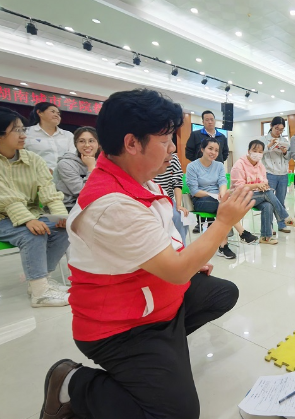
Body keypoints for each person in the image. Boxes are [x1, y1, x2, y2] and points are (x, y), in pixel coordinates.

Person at [40, 88, 252, 419]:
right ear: (132, 143)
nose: (173, 148)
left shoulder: (140, 178)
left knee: (223, 293)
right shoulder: (110, 204)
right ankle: (71, 381)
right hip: (119, 326)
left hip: (157, 301)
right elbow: (176, 269)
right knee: (177, 413)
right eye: (166, 140)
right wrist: (223, 223)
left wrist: (191, 259)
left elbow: (165, 238)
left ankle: (165, 352)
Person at [0, 106, 70, 308]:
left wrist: (60, 217)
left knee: (63, 228)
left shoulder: (33, 160)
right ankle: (40, 293)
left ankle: (40, 282)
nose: (24, 135)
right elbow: (7, 198)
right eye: (18, 130)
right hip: (3, 217)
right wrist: (28, 220)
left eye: (24, 129)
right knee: (32, 233)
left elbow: (49, 193)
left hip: (31, 214)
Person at [187, 138, 258, 258]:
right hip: (201, 200)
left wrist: (222, 193)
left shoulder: (219, 165)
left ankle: (223, 246)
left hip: (219, 199)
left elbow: (222, 182)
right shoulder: (192, 166)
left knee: (223, 207)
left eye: (216, 150)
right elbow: (194, 191)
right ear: (202, 149)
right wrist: (214, 195)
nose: (213, 152)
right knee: (224, 206)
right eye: (210, 148)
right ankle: (242, 232)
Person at [231, 140, 295, 244]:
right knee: (268, 193)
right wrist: (256, 186)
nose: (257, 154)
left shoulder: (260, 165)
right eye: (255, 150)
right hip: (241, 197)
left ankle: (265, 237)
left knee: (268, 205)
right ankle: (285, 217)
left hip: (256, 197)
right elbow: (239, 187)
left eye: (260, 152)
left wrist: (264, 185)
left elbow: (264, 181)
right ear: (248, 151)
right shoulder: (239, 164)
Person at [152, 133, 189, 245]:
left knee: (180, 216)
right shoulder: (147, 159)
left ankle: (181, 248)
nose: (172, 147)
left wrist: (178, 204)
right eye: (164, 141)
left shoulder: (173, 157)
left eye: (171, 140)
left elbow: (177, 180)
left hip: (166, 199)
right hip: (149, 198)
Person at [54, 127, 100, 212]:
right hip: (69, 207)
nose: (87, 145)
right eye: (81, 141)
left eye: (91, 141)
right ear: (76, 144)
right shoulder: (65, 164)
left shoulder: (103, 163)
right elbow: (82, 192)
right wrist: (91, 168)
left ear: (98, 144)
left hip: (94, 205)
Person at [24, 102, 76, 173]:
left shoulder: (68, 135)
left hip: (64, 176)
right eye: (52, 112)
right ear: (40, 113)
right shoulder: (26, 132)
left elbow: (73, 156)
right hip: (36, 176)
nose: (56, 115)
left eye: (58, 114)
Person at [262, 116, 292, 233]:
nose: (279, 131)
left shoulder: (284, 141)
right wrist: (269, 146)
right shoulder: (264, 139)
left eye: (281, 130)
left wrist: (285, 151)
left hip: (283, 174)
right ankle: (268, 227)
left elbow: (288, 157)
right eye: (277, 128)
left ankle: (281, 224)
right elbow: (259, 153)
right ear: (271, 126)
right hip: (269, 173)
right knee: (269, 202)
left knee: (280, 200)